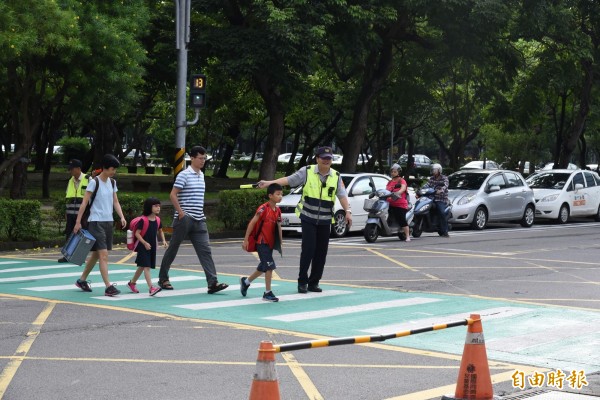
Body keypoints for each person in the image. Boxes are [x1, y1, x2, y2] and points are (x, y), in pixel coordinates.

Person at [257, 146, 352, 294]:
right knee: (308, 250)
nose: (326, 161)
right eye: (323, 158)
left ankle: (314, 282)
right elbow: (288, 180)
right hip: (308, 218)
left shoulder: (336, 176)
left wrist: (348, 211)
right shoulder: (307, 171)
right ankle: (302, 282)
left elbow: (342, 195)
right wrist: (269, 183)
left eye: (329, 158)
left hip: (325, 220)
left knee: (321, 253)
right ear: (317, 159)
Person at [158, 145, 229, 294]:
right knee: (173, 248)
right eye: (200, 158)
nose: (203, 161)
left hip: (199, 219)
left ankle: (212, 283)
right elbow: (172, 195)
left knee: (205, 251)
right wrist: (181, 213)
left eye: (204, 158)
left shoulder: (201, 175)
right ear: (192, 158)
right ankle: (163, 278)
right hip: (185, 218)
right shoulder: (184, 175)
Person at [73, 154, 127, 296]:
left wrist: (121, 216)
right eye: (111, 169)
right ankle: (108, 287)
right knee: (103, 255)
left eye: (114, 169)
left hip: (108, 222)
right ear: (104, 168)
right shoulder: (94, 182)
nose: (113, 172)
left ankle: (82, 280)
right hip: (95, 222)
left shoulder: (113, 183)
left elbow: (115, 201)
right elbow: (84, 202)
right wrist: (78, 222)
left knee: (97, 254)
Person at [240, 183, 284, 302]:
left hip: (270, 243)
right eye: (278, 194)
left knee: (263, 267)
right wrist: (245, 239)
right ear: (270, 195)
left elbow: (278, 226)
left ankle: (246, 282)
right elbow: (252, 223)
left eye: (281, 194)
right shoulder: (263, 209)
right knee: (269, 267)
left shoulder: (278, 210)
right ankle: (267, 293)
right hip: (262, 242)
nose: (280, 196)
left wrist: (280, 241)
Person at [126, 197, 168, 296]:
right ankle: (151, 288)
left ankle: (132, 283)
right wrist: (144, 243)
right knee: (146, 266)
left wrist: (164, 241)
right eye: (155, 206)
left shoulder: (157, 220)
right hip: (143, 246)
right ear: (149, 207)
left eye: (159, 206)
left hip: (152, 246)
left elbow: (160, 231)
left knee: (142, 266)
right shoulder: (143, 220)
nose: (158, 208)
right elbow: (137, 233)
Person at [58, 159, 90, 263]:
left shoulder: (88, 179)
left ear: (79, 169)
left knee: (82, 235)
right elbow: (67, 197)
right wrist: (66, 212)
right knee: (69, 234)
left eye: (72, 169)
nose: (70, 171)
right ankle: (67, 256)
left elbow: (91, 198)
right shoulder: (70, 181)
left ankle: (81, 256)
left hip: (83, 214)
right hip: (71, 213)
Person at [386, 163, 410, 241]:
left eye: (395, 172)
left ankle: (407, 236)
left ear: (399, 172)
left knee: (401, 219)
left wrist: (397, 193)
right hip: (390, 203)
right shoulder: (389, 182)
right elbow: (386, 191)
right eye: (392, 171)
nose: (393, 173)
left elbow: (403, 189)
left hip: (400, 204)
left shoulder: (401, 181)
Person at [426, 163, 450, 237]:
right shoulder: (431, 178)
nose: (433, 171)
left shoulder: (444, 178)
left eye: (434, 170)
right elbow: (427, 185)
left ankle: (445, 231)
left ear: (439, 170)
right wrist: (420, 189)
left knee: (441, 212)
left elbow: (446, 185)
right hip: (431, 198)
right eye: (432, 170)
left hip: (440, 199)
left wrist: (441, 190)